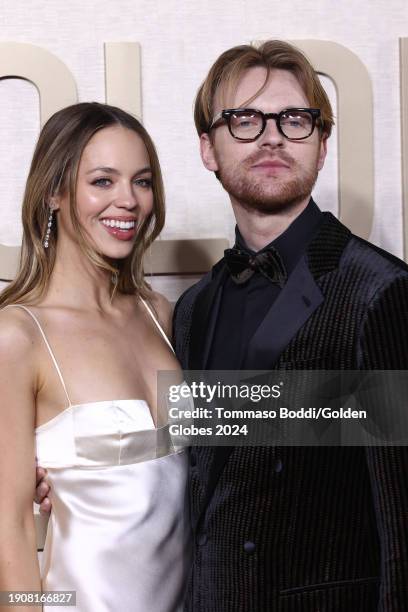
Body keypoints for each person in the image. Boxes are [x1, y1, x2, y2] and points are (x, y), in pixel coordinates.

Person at [171, 41, 408, 610]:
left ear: (322, 146)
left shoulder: (381, 292)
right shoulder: (192, 308)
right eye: (245, 120)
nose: (273, 136)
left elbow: (402, 530)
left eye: (295, 120)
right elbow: (203, 474)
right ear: (208, 148)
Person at [0, 102, 190, 612]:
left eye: (142, 181)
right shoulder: (18, 336)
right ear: (54, 192)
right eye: (103, 181)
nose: (128, 200)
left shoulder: (163, 315)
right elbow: (10, 530)